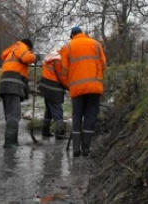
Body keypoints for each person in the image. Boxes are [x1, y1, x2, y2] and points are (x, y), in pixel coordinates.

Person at [58, 26, 106, 157]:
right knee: (90, 117)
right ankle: (86, 148)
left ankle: (75, 149)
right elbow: (103, 65)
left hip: (77, 90)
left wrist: (70, 84)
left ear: (72, 35)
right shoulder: (95, 44)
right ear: (82, 33)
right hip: (94, 88)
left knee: (77, 116)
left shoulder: (68, 47)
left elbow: (64, 71)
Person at [0, 38, 37, 148]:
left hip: (4, 85)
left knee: (9, 115)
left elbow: (19, 70)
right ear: (29, 47)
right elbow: (28, 57)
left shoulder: (11, 51)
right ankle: (10, 143)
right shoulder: (21, 47)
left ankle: (12, 141)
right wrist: (35, 57)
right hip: (13, 85)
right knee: (14, 116)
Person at [38, 51, 67, 139]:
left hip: (45, 86)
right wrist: (68, 86)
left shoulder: (51, 57)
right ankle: (59, 133)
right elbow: (62, 77)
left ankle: (45, 131)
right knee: (57, 111)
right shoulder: (59, 60)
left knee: (49, 111)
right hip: (54, 88)